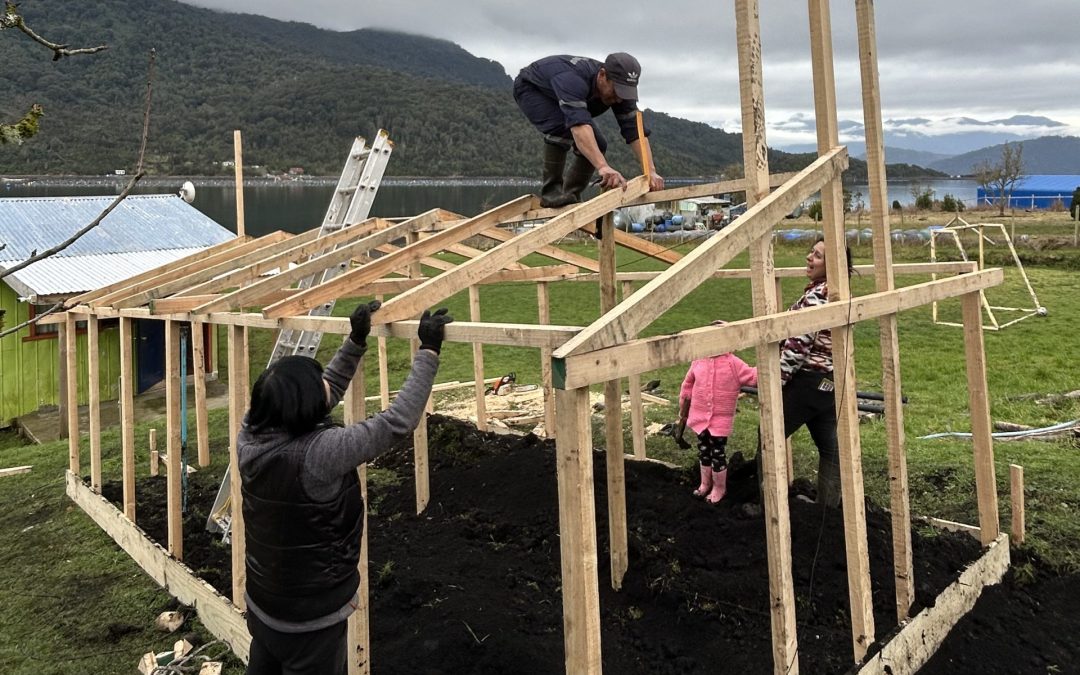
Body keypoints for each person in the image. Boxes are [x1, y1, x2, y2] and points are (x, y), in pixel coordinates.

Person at [239, 301, 453, 675]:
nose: (328, 385)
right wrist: (429, 351)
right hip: (311, 619)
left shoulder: (250, 436)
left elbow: (323, 393)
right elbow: (396, 423)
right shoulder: (319, 455)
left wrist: (355, 341)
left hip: (263, 604)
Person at [513, 52, 665, 208]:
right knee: (562, 127)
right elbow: (578, 126)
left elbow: (635, 132)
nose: (619, 99)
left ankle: (571, 195)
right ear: (602, 75)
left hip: (563, 93)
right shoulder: (572, 80)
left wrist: (650, 171)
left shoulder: (621, 91)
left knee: (598, 145)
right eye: (616, 91)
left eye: (625, 93)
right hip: (531, 89)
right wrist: (603, 167)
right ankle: (551, 194)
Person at [770, 237, 854, 508]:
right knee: (830, 446)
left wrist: (776, 381)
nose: (809, 257)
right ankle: (828, 507)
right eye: (812, 252)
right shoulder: (835, 291)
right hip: (827, 381)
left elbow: (798, 344)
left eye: (817, 256)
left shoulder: (820, 295)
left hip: (807, 379)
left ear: (832, 266)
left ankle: (766, 503)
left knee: (768, 436)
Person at [674, 333, 758, 503]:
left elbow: (753, 377)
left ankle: (719, 488)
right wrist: (683, 405)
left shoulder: (733, 363)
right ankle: (705, 484)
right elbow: (688, 383)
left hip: (720, 421)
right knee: (704, 450)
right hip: (699, 417)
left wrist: (769, 361)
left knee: (717, 453)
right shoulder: (698, 361)